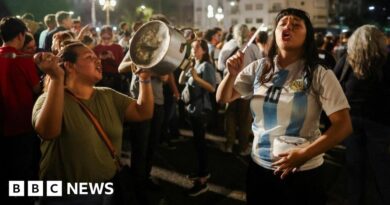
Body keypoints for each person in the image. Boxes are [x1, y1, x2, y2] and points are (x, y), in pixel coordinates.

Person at [216, 8, 352, 205]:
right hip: (260, 166)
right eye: (283, 23)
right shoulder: (259, 68)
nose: (288, 26)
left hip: (303, 171)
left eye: (296, 24)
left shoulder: (319, 73)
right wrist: (231, 74)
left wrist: (304, 154)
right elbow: (224, 97)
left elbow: (343, 126)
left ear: (308, 35)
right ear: (275, 32)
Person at [32, 41, 153, 204]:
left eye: (97, 57)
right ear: (70, 66)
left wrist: (144, 79)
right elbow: (48, 132)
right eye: (89, 57)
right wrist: (56, 78)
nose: (98, 61)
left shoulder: (108, 95)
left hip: (107, 189)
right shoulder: (48, 100)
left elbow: (143, 112)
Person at [333, 25, 390, 205]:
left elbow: (335, 84)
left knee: (354, 165)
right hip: (380, 120)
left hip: (351, 120)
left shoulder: (346, 60)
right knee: (381, 166)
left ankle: (355, 199)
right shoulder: (386, 61)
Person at [0, 16, 41, 205]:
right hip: (22, 124)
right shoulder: (23, 60)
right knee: (24, 173)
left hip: (4, 124)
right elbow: (36, 90)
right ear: (21, 35)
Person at [179, 39, 216, 196]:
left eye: (195, 48)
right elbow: (181, 81)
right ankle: (202, 171)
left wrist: (197, 77)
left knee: (200, 144)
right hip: (192, 108)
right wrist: (187, 67)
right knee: (197, 143)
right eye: (192, 48)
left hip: (201, 109)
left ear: (204, 50)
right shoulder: (195, 64)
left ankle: (203, 180)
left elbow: (212, 88)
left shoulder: (206, 66)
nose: (193, 50)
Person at [218, 24, 261, 155]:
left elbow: (220, 66)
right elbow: (261, 66)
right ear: (248, 34)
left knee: (230, 116)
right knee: (245, 119)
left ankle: (229, 144)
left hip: (229, 86)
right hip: (247, 89)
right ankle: (243, 147)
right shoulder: (253, 47)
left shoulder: (228, 45)